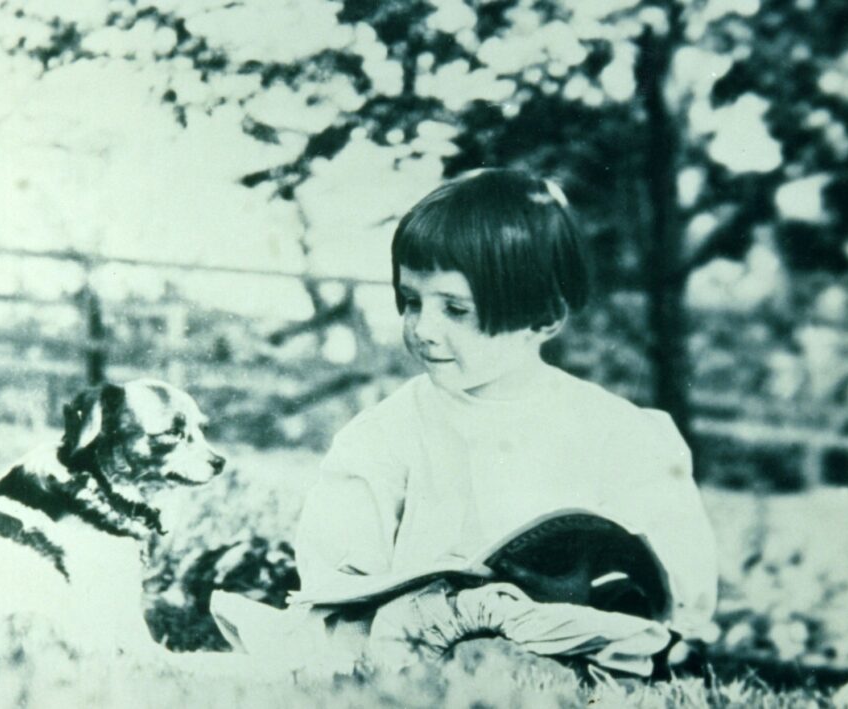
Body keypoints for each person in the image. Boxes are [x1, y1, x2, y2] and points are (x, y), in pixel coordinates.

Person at [290, 169, 718, 671]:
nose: (423, 329)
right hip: (416, 645)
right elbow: (338, 569)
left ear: (544, 316)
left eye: (455, 308)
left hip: (572, 648)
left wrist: (663, 623)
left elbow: (673, 583)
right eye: (411, 302)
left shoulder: (616, 432)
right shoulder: (386, 434)